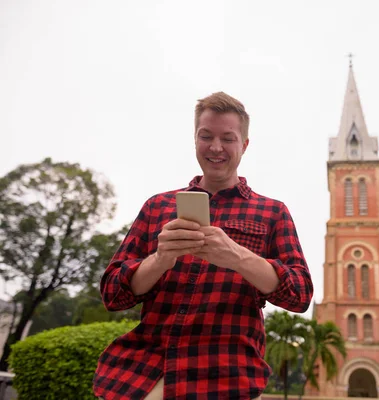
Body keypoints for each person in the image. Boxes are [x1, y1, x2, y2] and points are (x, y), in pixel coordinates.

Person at [93, 92, 313, 400]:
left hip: (225, 377)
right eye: (206, 136)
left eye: (228, 138)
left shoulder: (272, 212)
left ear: (244, 145)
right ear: (195, 139)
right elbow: (112, 295)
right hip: (141, 375)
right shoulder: (157, 206)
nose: (216, 147)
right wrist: (160, 259)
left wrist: (238, 257)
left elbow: (300, 295)